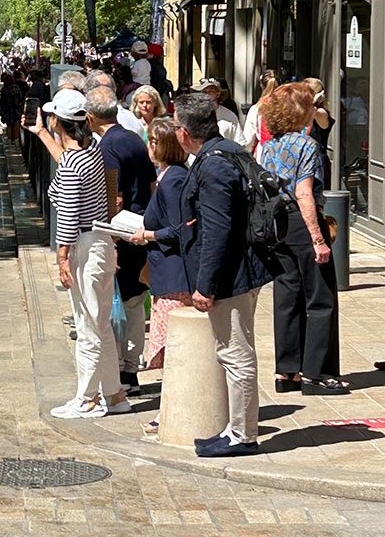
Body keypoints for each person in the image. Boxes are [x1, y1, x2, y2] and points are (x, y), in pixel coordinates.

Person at [173, 93, 271, 457]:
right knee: (233, 351)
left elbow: (218, 231)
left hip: (232, 275)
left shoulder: (214, 164)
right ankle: (235, 429)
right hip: (239, 269)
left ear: (184, 133)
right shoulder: (227, 151)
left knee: (236, 354)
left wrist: (205, 286)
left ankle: (243, 436)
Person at [25, 89, 129, 419]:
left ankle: (88, 399)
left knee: (87, 328)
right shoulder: (92, 149)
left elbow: (68, 216)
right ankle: (114, 395)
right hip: (100, 241)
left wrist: (62, 258)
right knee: (99, 325)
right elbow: (68, 159)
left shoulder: (74, 164)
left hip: (84, 245)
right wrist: (42, 134)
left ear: (58, 121)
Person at [261, 82, 347, 395]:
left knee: (287, 297)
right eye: (310, 104)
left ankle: (288, 372)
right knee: (320, 298)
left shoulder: (269, 145)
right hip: (302, 221)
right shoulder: (305, 145)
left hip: (278, 225)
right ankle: (317, 373)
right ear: (299, 110)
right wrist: (318, 239)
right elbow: (304, 193)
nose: (314, 109)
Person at [86, 86, 156, 396]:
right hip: (141, 228)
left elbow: (113, 197)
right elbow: (151, 185)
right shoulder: (134, 139)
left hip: (122, 233)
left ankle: (121, 371)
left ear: (90, 118)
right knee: (135, 303)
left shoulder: (107, 148)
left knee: (118, 304)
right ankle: (131, 370)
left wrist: (110, 241)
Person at [129, 118, 191, 380]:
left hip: (174, 275)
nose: (148, 147)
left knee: (174, 346)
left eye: (152, 142)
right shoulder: (167, 175)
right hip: (165, 272)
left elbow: (179, 229)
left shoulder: (174, 178)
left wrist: (147, 235)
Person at [192, 77, 246, 145]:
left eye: (210, 92)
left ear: (218, 94)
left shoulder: (229, 117)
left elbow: (240, 143)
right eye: (204, 92)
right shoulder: (194, 115)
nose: (206, 95)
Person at [302, 76, 334, 184]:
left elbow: (311, 113)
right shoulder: (302, 111)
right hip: (302, 160)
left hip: (316, 163)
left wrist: (312, 101)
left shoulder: (321, 113)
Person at [243, 71, 277, 158]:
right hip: (284, 154)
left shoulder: (256, 109)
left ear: (261, 86)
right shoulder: (286, 108)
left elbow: (248, 140)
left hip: (262, 154)